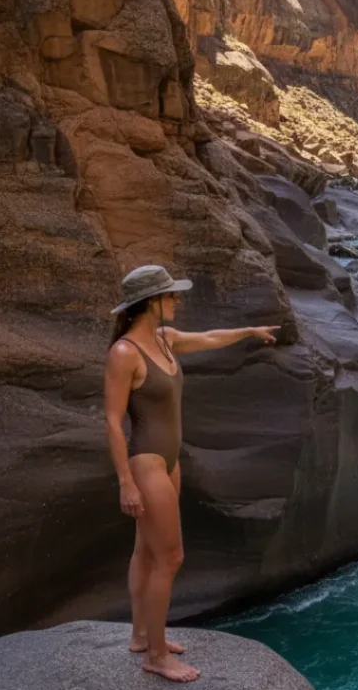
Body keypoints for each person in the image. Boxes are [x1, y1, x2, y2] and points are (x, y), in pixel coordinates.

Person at [104, 265, 279, 683]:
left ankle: (142, 636)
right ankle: (157, 657)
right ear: (149, 304)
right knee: (171, 558)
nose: (177, 300)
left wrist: (250, 330)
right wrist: (125, 482)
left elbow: (209, 339)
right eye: (170, 295)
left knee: (146, 553)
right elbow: (112, 421)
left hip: (170, 462)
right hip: (145, 462)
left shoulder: (164, 340)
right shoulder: (125, 353)